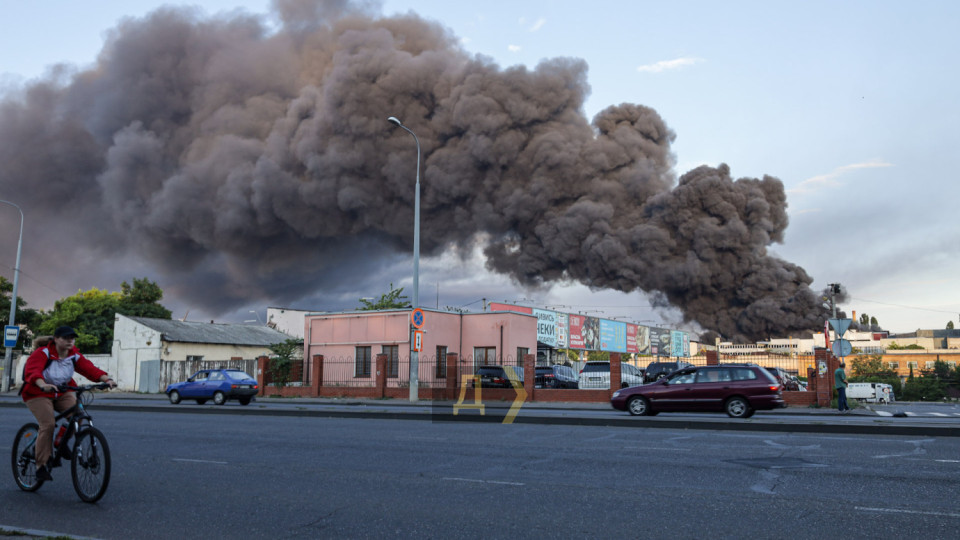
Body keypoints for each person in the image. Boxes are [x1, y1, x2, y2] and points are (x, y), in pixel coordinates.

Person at [21, 326, 116, 481]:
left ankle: (60, 441)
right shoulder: (43, 353)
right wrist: (42, 384)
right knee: (48, 424)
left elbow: (89, 369)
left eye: (72, 338)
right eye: (65, 338)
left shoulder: (74, 356)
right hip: (37, 392)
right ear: (56, 339)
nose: (70, 341)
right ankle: (41, 465)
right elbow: (33, 371)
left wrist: (106, 379)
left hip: (62, 391)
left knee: (79, 415)